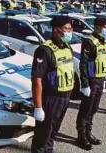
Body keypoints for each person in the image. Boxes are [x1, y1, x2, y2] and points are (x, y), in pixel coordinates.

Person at [31, 16, 74, 153]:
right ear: (56, 30)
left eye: (70, 29)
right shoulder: (44, 50)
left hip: (64, 98)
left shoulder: (67, 47)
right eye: (67, 29)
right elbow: (37, 79)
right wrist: (38, 107)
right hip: (51, 99)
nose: (70, 32)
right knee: (42, 135)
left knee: (53, 132)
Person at [76, 17, 106, 150]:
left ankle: (88, 132)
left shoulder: (103, 41)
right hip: (91, 81)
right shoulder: (89, 42)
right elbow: (83, 64)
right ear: (97, 27)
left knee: (94, 108)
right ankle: (81, 136)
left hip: (100, 79)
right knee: (85, 109)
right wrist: (84, 84)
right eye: (105, 27)